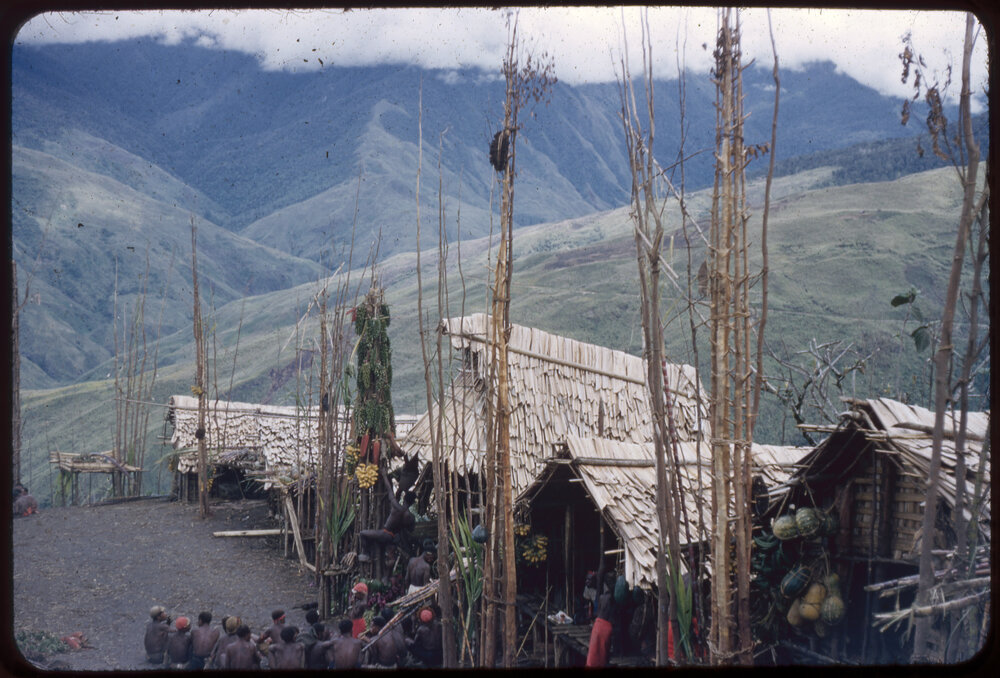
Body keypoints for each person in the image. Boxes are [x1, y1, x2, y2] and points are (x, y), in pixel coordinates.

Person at [358, 468, 416, 562]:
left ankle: (365, 553)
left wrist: (385, 476)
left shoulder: (397, 508)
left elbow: (390, 491)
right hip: (393, 538)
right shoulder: (410, 517)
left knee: (362, 533)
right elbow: (411, 529)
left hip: (385, 534)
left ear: (404, 498)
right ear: (412, 503)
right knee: (388, 559)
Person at [585, 572, 618, 667]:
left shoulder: (602, 597)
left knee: (594, 652)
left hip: (598, 624)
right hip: (605, 626)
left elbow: (597, 613)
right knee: (602, 652)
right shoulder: (613, 599)